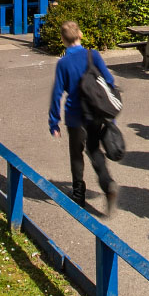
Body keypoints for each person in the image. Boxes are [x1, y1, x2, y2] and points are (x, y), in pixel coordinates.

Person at [48, 20, 120, 214]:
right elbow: (109, 80)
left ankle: (78, 192)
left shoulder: (63, 63)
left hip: (75, 116)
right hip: (95, 113)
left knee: (76, 154)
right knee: (94, 150)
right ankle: (107, 184)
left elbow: (57, 94)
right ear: (80, 34)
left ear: (63, 39)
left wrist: (53, 122)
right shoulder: (93, 55)